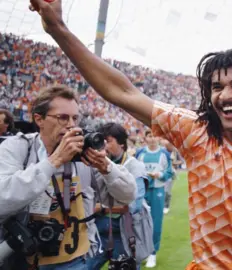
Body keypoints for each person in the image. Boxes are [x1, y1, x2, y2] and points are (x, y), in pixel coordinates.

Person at [29, 1, 232, 269]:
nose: (226, 95)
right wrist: (58, 28)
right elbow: (121, 91)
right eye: (216, 87)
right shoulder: (195, 133)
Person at [0, 85, 137, 270]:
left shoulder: (83, 155)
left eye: (75, 118)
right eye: (63, 118)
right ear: (39, 119)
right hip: (23, 260)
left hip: (76, 259)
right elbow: (2, 200)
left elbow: (128, 195)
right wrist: (54, 161)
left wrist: (107, 168)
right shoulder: (17, 148)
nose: (72, 125)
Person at [88, 123, 153, 270]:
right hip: (98, 231)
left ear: (122, 143)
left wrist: (100, 208)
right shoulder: (96, 164)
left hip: (124, 233)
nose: (104, 146)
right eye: (101, 141)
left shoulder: (135, 166)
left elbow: (133, 205)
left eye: (108, 141)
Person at [136, 131, 173, 268]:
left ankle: (152, 253)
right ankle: (141, 252)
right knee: (139, 222)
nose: (152, 139)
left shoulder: (164, 154)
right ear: (145, 138)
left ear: (158, 138)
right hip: (142, 191)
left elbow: (169, 172)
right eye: (149, 136)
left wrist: (160, 175)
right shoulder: (140, 153)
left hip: (157, 190)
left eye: (154, 136)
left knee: (156, 222)